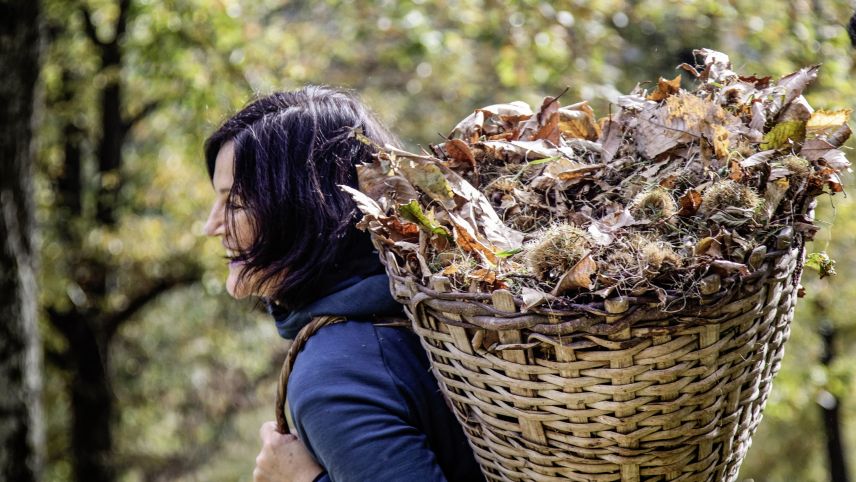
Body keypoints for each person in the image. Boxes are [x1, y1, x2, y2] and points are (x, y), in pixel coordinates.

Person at [202, 86, 485, 482]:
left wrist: (301, 479)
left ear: (303, 210)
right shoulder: (434, 311)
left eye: (234, 203)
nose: (211, 226)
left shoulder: (334, 375)